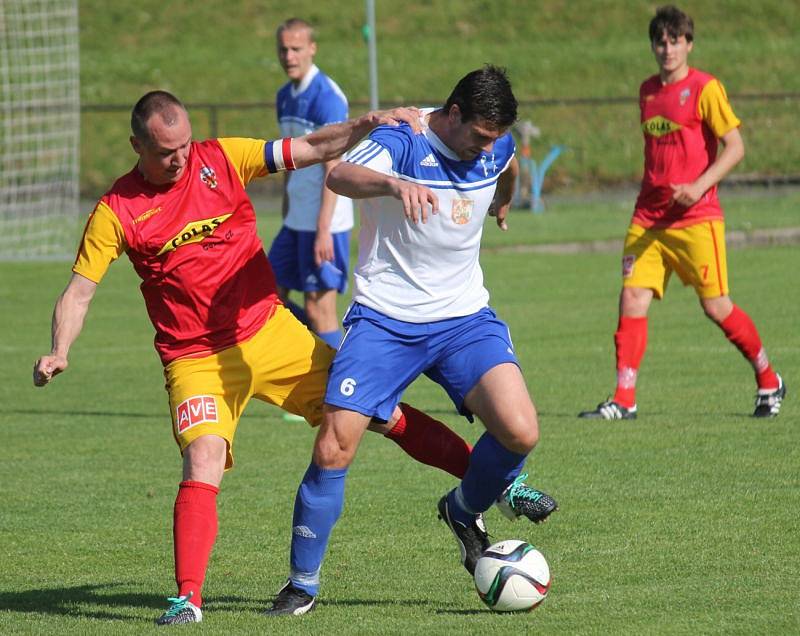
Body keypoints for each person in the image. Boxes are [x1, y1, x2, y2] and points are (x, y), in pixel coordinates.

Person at [32, 90, 552, 626]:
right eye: (167, 152)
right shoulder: (116, 209)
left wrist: (365, 123)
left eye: (185, 144)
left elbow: (306, 149)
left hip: (273, 334)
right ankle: (188, 598)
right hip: (196, 360)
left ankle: (495, 484)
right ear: (136, 145)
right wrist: (59, 349)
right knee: (203, 460)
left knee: (380, 415)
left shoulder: (222, 158)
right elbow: (79, 290)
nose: (182, 158)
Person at [267, 65, 556, 617]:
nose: (485, 150)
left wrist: (505, 200)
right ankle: (302, 583)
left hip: (464, 318)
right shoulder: (401, 140)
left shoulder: (493, 146)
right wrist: (394, 183)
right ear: (452, 114)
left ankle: (463, 508)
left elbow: (509, 162)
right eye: (478, 136)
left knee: (520, 430)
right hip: (386, 320)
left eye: (494, 139)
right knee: (333, 446)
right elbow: (340, 178)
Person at [579, 5, 785, 421]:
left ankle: (769, 378)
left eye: (676, 40)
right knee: (632, 298)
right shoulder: (647, 91)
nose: (667, 48)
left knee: (717, 307)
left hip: (697, 218)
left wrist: (698, 186)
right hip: (648, 219)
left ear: (689, 44)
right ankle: (624, 398)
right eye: (660, 41)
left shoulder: (706, 88)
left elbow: (736, 147)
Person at [267, 18, 352, 350]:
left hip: (326, 224)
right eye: (283, 49)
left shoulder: (327, 98)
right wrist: (288, 209)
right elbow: (290, 158)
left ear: (312, 49)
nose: (289, 56)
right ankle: (319, 356)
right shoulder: (284, 96)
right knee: (268, 298)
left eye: (296, 49)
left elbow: (334, 167)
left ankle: (344, 385)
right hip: (295, 222)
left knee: (320, 309)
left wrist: (322, 230)